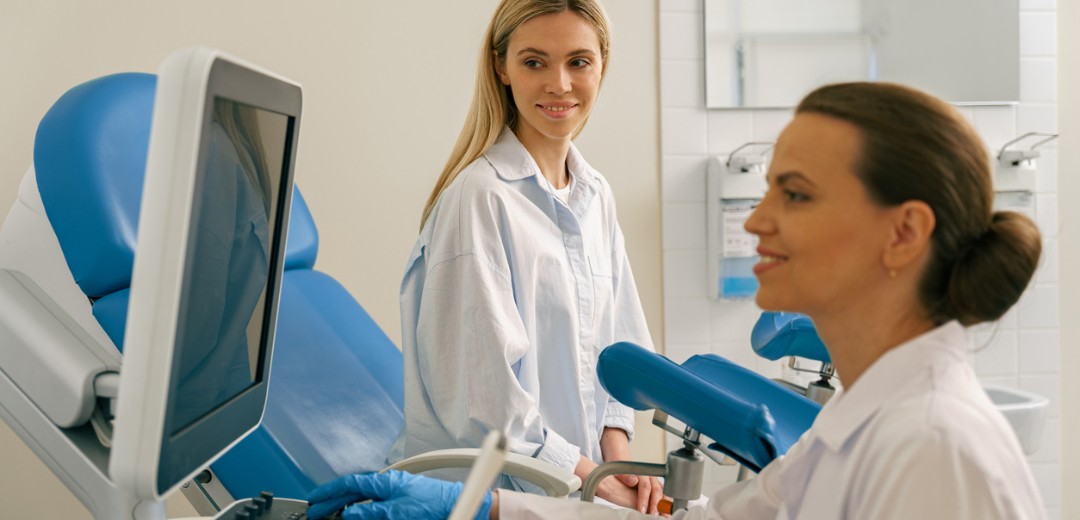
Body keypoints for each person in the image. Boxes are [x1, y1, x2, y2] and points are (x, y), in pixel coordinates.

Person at [308, 80, 1049, 519]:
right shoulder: (861, 420)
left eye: (794, 195)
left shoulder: (937, 451)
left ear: (904, 233)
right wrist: (495, 506)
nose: (756, 221)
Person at [386, 0, 663, 513]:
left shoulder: (595, 194)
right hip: (497, 493)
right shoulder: (480, 198)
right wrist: (594, 481)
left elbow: (620, 352)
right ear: (502, 67)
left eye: (578, 62)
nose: (559, 84)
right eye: (535, 62)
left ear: (602, 64)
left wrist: (616, 462)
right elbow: (484, 403)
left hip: (573, 486)